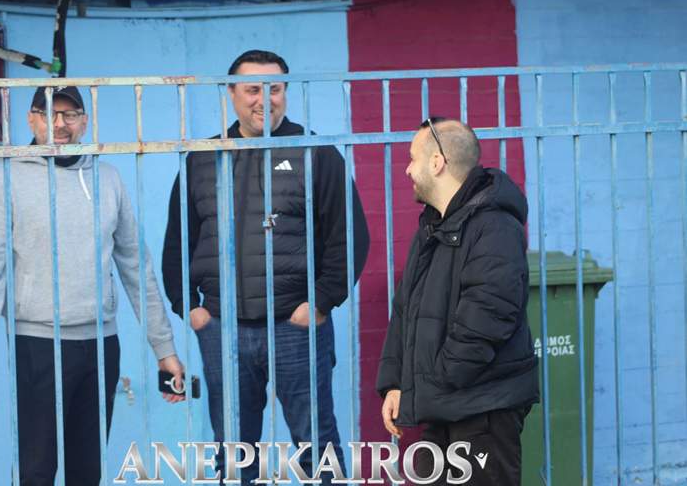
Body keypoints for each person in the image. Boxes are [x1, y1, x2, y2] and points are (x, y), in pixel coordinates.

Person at [162, 50, 370, 484]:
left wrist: (319, 304)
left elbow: (350, 237)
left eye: (274, 89)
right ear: (232, 93)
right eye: (253, 89)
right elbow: (177, 243)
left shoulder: (316, 153)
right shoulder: (203, 159)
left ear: (286, 93)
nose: (264, 99)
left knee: (317, 445)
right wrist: (191, 309)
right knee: (234, 452)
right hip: (223, 330)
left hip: (296, 326)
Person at [0, 86, 185, 485]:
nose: (59, 124)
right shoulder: (5, 179)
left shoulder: (108, 178)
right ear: (31, 119)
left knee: (87, 469)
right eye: (48, 113)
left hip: (101, 343)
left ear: (84, 121)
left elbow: (136, 266)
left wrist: (164, 349)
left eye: (70, 114)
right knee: (36, 468)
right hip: (38, 343)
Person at [377, 118, 539, 485]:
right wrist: (396, 383)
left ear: (437, 163)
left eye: (413, 158)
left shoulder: (494, 226)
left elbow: (490, 312)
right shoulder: (433, 227)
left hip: (483, 409)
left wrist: (442, 376)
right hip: (444, 405)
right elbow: (407, 309)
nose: (407, 170)